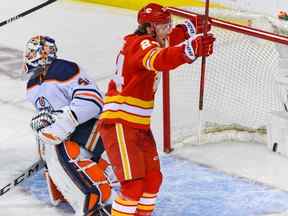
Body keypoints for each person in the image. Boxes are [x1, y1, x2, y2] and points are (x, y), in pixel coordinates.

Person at [97, 3, 215, 216]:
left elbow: (171, 41)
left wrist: (192, 27)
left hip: (138, 125)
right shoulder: (140, 44)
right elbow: (160, 59)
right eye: (162, 26)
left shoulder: (153, 40)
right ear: (149, 28)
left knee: (152, 180)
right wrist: (192, 49)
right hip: (120, 124)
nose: (167, 29)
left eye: (168, 24)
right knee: (133, 186)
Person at [24, 35, 113, 216]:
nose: (28, 55)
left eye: (32, 51)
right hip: (69, 134)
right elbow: (47, 120)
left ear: (44, 53)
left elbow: (93, 102)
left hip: (93, 126)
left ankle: (96, 203)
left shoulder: (65, 69)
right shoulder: (32, 85)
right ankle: (77, 189)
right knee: (53, 149)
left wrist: (64, 120)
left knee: (63, 151)